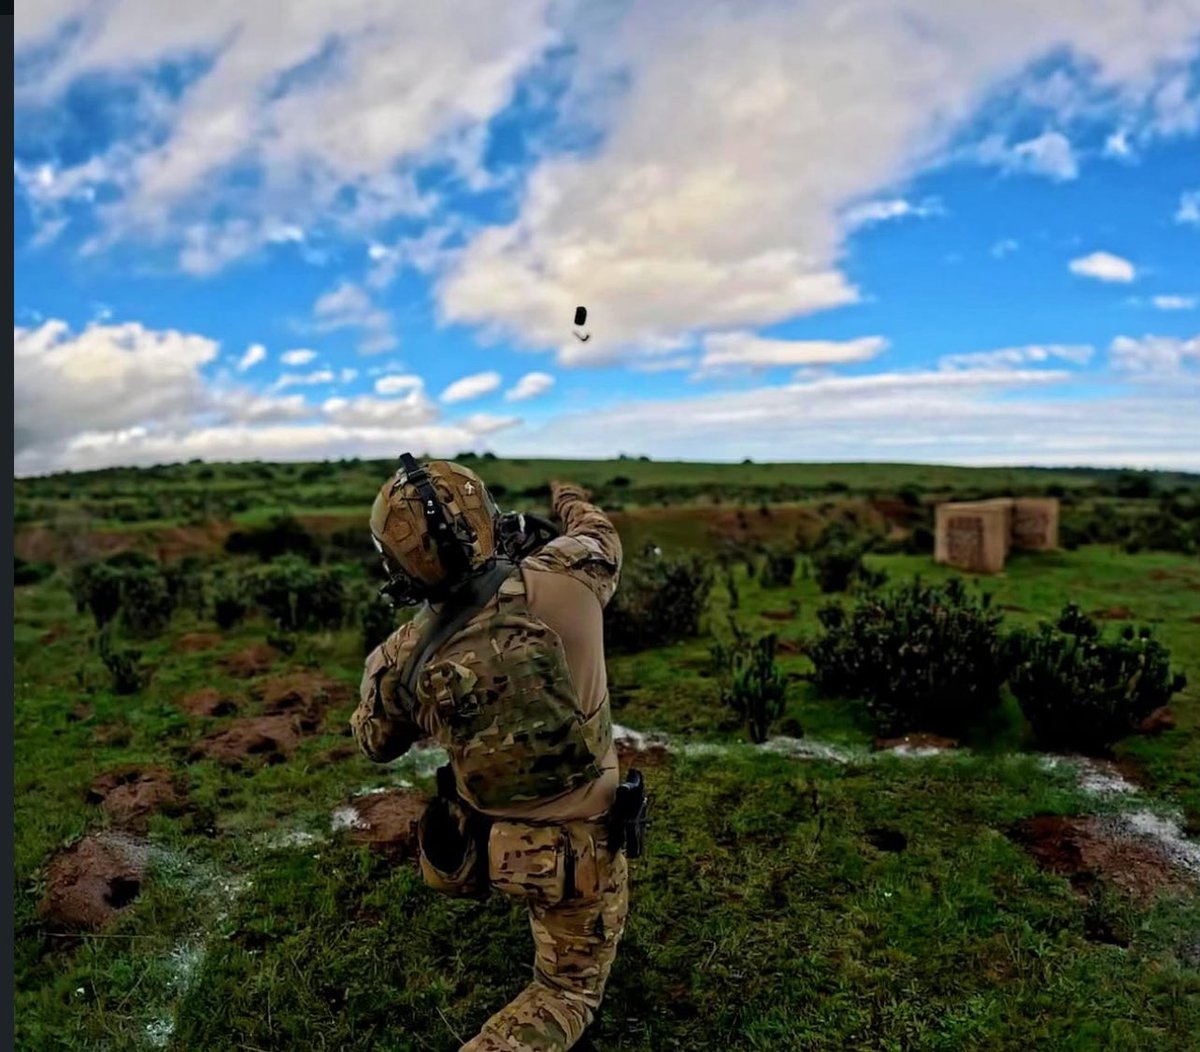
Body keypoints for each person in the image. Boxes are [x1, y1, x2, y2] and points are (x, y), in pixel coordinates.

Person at [350, 456, 632, 1052]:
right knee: (566, 995)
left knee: (451, 779)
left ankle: (463, 870)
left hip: (480, 845)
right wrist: (567, 498)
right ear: (488, 518)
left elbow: (375, 744)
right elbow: (599, 530)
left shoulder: (397, 659)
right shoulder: (573, 572)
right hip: (574, 849)